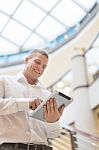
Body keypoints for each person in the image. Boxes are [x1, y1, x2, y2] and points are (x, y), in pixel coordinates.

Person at [0, 49, 65, 150]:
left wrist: (52, 122)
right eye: (37, 62)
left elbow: (53, 135)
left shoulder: (47, 95)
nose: (40, 68)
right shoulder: (4, 81)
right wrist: (27, 103)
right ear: (26, 60)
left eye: (44, 66)